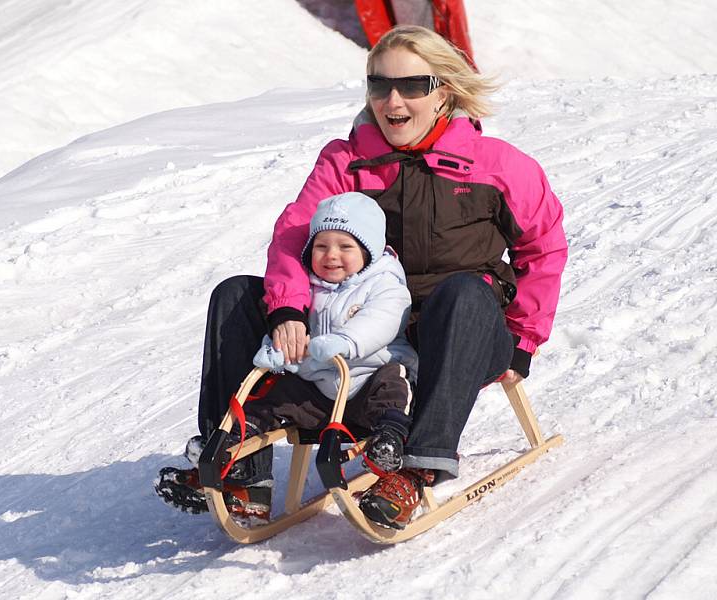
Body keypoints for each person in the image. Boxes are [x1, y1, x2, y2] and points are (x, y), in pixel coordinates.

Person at [159, 24, 568, 530]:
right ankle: (238, 464)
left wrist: (524, 341)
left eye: (411, 86)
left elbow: (543, 247)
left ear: (444, 91)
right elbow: (293, 235)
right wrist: (288, 309)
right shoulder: (347, 161)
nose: (391, 100)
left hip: (457, 333)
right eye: (378, 85)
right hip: (355, 326)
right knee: (237, 295)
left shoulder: (499, 166)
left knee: (463, 291)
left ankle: (415, 469)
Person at [156, 192, 419, 522]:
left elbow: (383, 320)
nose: (331, 256)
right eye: (321, 246)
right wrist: (275, 349)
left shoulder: (383, 282)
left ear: (369, 251)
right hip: (320, 390)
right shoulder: (309, 283)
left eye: (345, 247)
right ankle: (232, 447)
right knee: (273, 395)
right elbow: (293, 332)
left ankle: (389, 441)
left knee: (392, 387)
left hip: (367, 379)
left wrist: (346, 342)